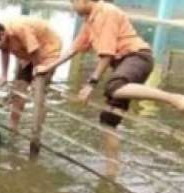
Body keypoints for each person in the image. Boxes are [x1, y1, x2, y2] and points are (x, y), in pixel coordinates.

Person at [37, 0, 184, 127]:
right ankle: (110, 160)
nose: (72, 7)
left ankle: (174, 98)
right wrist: (48, 67)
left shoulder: (106, 12)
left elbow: (107, 54)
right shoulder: (90, 21)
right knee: (108, 119)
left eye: (73, 2)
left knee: (114, 86)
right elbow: (73, 49)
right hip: (122, 63)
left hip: (137, 57)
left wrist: (91, 84)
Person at [0, 18, 62, 131]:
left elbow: (35, 50)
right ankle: (12, 127)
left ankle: (36, 131)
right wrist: (4, 75)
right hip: (27, 54)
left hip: (47, 52)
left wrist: (37, 74)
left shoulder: (19, 29)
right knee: (18, 90)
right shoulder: (3, 37)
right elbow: (4, 50)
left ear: (1, 35)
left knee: (38, 91)